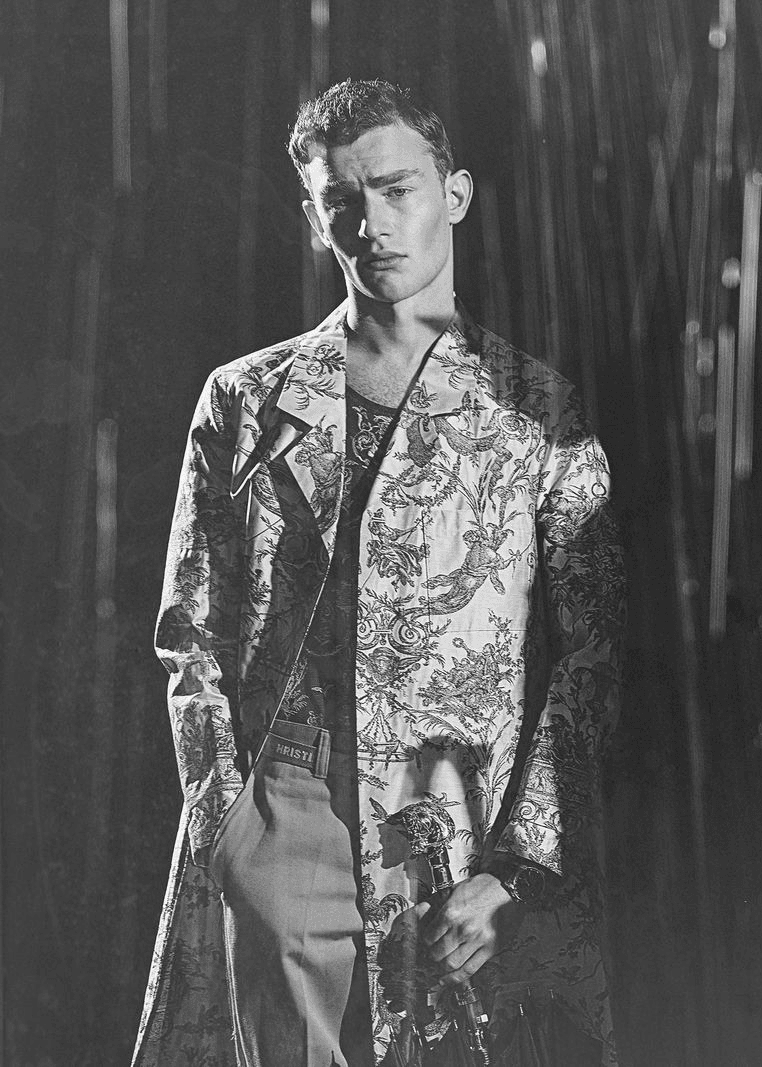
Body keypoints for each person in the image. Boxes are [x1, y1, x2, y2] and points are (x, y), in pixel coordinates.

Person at [131, 78, 627, 1067]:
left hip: (462, 824)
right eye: (342, 200)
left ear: (455, 194)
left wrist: (517, 867)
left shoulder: (537, 413)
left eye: (397, 189)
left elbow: (592, 654)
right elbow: (190, 630)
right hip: (288, 802)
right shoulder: (246, 399)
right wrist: (228, 824)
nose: (372, 224)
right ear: (314, 216)